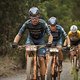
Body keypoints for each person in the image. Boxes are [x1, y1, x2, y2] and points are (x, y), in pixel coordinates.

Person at [12, 7, 53, 80]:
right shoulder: (27, 23)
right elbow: (19, 34)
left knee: (41, 59)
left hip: (40, 41)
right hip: (30, 40)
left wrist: (49, 42)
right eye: (33, 18)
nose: (34, 20)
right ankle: (29, 65)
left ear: (39, 17)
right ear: (30, 17)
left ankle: (43, 77)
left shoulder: (43, 23)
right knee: (28, 51)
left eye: (36, 18)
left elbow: (50, 35)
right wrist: (15, 42)